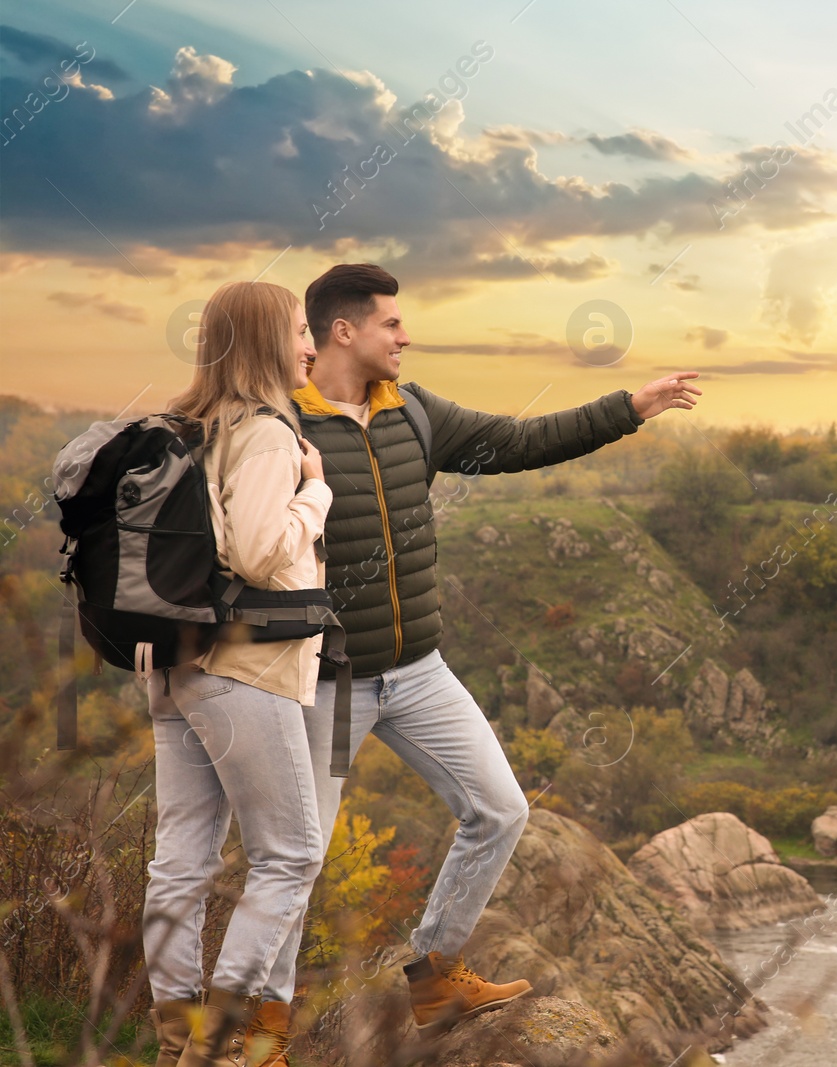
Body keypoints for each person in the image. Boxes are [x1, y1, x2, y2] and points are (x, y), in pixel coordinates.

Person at [282, 263, 700, 1035]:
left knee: (500, 810)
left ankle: (436, 974)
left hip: (418, 670)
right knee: (297, 858)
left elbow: (520, 440)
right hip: (326, 679)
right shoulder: (280, 426)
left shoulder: (414, 412)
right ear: (344, 331)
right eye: (391, 323)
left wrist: (628, 408)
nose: (407, 335)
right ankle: (260, 1036)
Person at [143, 282, 332, 1067]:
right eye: (298, 332)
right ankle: (217, 1047)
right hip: (244, 668)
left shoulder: (187, 430)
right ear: (262, 343)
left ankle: (173, 1037)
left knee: (181, 858)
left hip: (174, 663)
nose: (311, 347)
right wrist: (315, 490)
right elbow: (257, 551)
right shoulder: (264, 435)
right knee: (291, 854)